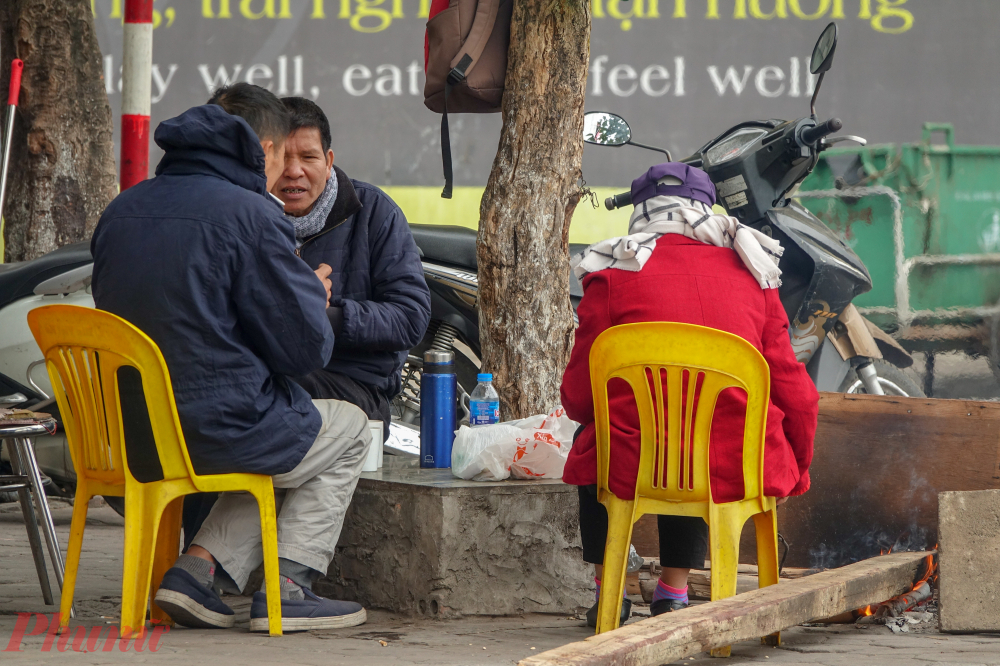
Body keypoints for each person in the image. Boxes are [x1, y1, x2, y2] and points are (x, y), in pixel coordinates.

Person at [91, 83, 372, 632]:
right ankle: (289, 584)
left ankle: (195, 571)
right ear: (264, 150)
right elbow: (302, 351)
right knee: (349, 429)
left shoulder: (122, 207)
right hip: (213, 432)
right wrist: (310, 297)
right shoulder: (250, 214)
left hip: (129, 434)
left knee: (277, 440)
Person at [559, 163, 819, 628]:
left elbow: (579, 399)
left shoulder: (610, 277)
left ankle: (609, 594)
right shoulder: (756, 278)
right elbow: (798, 395)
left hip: (632, 461)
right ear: (707, 209)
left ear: (640, 212)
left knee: (601, 433)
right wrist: (795, 468)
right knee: (701, 432)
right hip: (729, 465)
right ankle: (673, 591)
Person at [272, 96, 430, 431]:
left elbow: (411, 317)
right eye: (283, 157)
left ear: (328, 161)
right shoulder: (247, 217)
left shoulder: (374, 212)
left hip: (355, 389)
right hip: (273, 374)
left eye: (308, 157)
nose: (294, 170)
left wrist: (326, 315)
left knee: (269, 391)